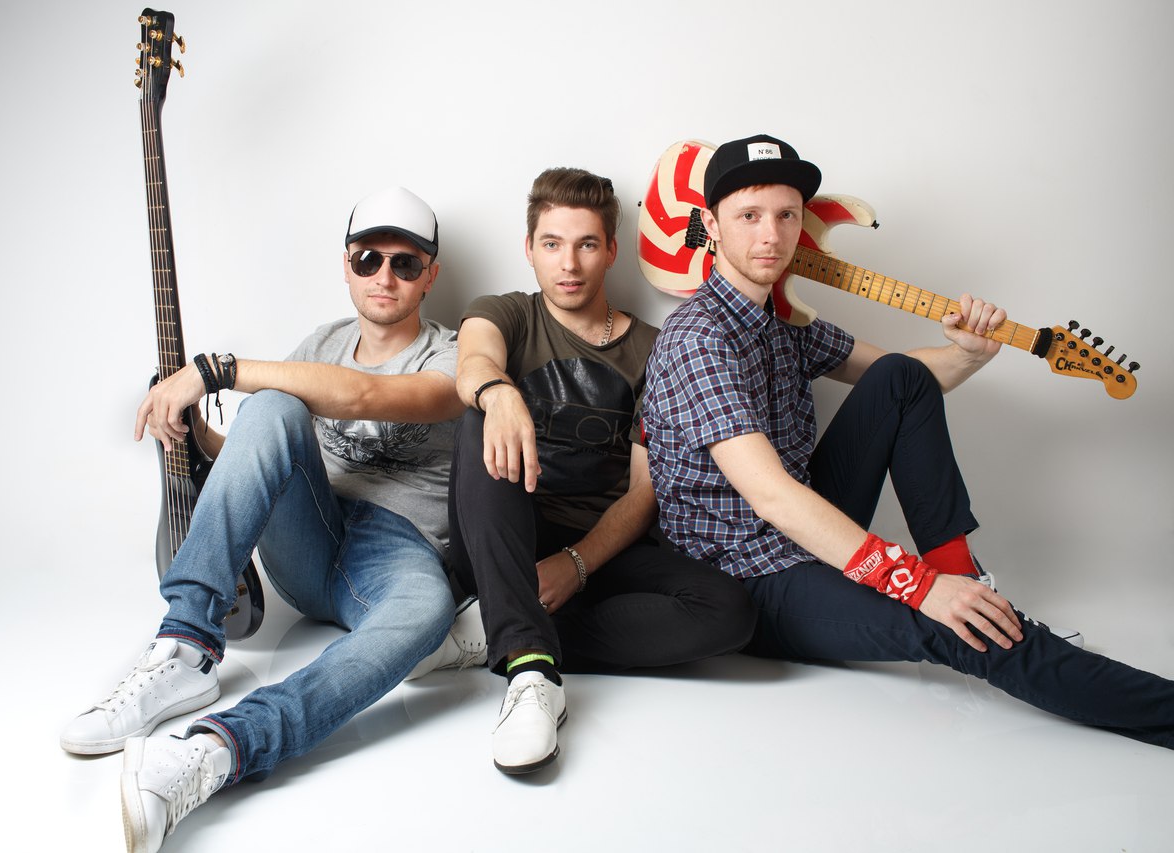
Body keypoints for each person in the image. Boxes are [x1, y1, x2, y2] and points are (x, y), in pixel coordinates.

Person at [643, 133, 1174, 749]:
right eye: (749, 216)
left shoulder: (781, 322)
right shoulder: (698, 338)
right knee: (955, 629)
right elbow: (772, 497)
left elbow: (911, 378)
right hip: (749, 579)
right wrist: (918, 587)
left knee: (900, 375)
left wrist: (969, 353)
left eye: (786, 215)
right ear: (711, 226)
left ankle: (965, 578)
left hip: (807, 535)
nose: (772, 235)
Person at [61, 186, 483, 851]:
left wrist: (216, 370)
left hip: (394, 552)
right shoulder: (323, 342)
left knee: (429, 609)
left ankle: (215, 750)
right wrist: (194, 432)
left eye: (405, 263)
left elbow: (365, 395)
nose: (385, 276)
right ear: (346, 265)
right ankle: (186, 647)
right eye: (369, 259)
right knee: (273, 407)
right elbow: (265, 443)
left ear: (430, 275)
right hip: (310, 536)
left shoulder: (453, 353)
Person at [445, 167, 757, 775]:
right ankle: (531, 669)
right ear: (529, 248)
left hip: (598, 546)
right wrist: (498, 393)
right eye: (552, 244)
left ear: (611, 250)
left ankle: (497, 629)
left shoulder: (656, 348)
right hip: (500, 534)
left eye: (587, 244)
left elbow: (645, 490)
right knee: (480, 413)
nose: (569, 264)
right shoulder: (505, 313)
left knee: (729, 611)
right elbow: (474, 361)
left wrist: (577, 564)